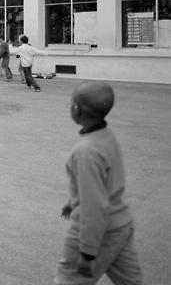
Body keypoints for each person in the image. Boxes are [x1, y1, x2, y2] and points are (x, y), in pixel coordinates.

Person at [53, 82, 142, 285]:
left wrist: (87, 252)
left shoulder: (86, 151)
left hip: (98, 233)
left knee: (69, 280)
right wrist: (73, 200)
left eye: (71, 103)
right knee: (132, 281)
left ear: (77, 109)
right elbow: (100, 183)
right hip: (121, 225)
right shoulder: (106, 137)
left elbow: (94, 206)